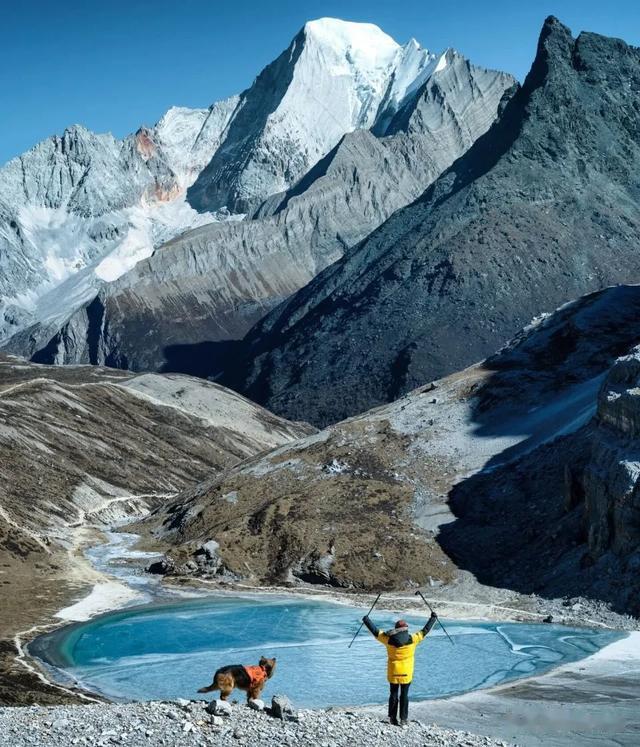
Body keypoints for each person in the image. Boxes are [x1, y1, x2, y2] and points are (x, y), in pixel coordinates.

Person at [362, 611, 437, 726]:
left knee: (393, 694)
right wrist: (433, 618)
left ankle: (393, 718)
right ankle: (403, 719)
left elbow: (375, 631)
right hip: (406, 673)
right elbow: (425, 631)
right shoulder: (413, 639)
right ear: (406, 629)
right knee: (404, 695)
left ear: (396, 629)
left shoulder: (388, 640)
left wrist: (366, 620)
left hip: (393, 672)